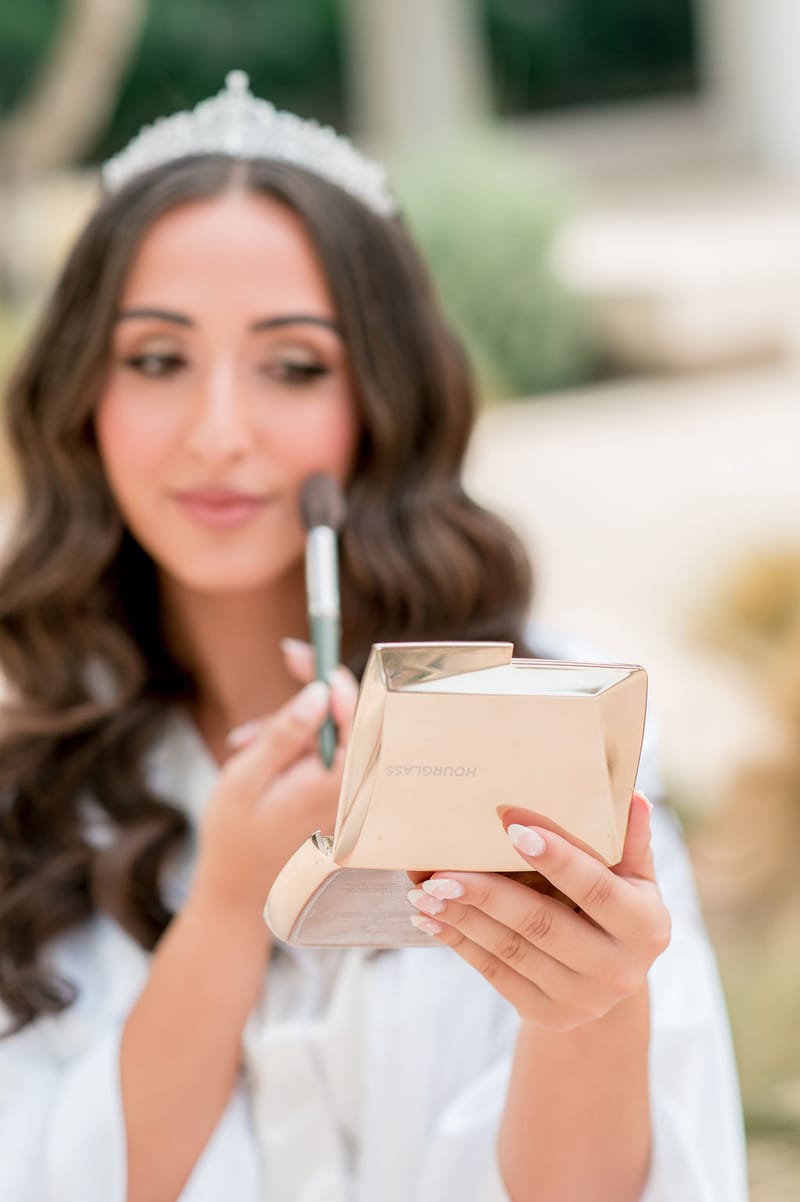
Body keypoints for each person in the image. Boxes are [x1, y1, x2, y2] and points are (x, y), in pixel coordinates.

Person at [0, 73, 747, 1202]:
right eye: (156, 358)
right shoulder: (35, 774)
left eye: (292, 365)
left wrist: (590, 1005)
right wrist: (228, 900)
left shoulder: (541, 729)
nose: (217, 432)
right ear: (83, 396)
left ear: (378, 397)